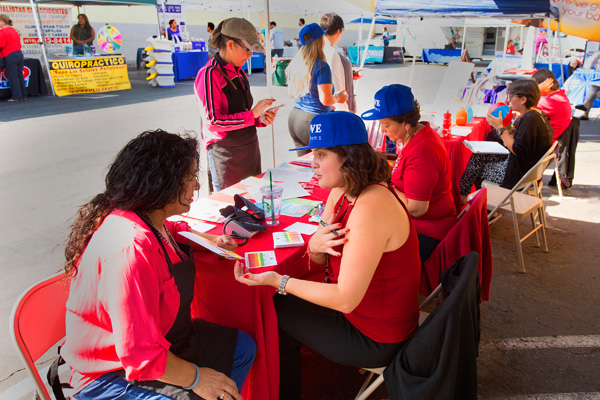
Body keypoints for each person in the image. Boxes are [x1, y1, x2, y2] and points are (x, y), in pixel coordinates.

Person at [234, 111, 421, 400]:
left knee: (275, 310)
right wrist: (315, 248)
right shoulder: (345, 192)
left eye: (321, 154)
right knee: (281, 302)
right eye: (312, 153)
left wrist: (277, 280)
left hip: (377, 336)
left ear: (348, 157)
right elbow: (320, 259)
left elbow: (345, 298)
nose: (313, 163)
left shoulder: (371, 206)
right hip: (366, 314)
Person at [62, 130, 256, 400]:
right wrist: (198, 378)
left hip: (163, 341)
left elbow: (174, 230)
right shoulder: (129, 249)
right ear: (163, 183)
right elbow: (138, 354)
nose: (196, 187)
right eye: (190, 178)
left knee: (242, 348)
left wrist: (210, 240)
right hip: (110, 372)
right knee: (207, 389)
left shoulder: (151, 220)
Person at [362, 84, 456, 262]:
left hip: (427, 230)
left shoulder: (421, 152)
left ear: (405, 123)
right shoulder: (418, 134)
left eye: (386, 125)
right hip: (426, 221)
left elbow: (416, 208)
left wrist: (384, 186)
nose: (382, 130)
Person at [194, 18, 277, 192]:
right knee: (229, 207)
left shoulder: (239, 73)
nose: (250, 55)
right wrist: (251, 115)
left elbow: (244, 113)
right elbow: (213, 121)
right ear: (231, 44)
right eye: (247, 49)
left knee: (253, 199)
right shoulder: (210, 74)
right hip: (226, 156)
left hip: (250, 150)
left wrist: (260, 119)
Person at [460, 78, 553, 196]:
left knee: (478, 166)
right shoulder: (536, 114)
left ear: (523, 99)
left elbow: (516, 149)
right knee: (480, 156)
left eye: (511, 96)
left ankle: (477, 202)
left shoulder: (530, 119)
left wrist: (500, 128)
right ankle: (474, 201)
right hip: (527, 170)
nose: (508, 99)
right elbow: (522, 140)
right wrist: (508, 127)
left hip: (518, 175)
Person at [286, 23, 347, 156]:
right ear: (320, 40)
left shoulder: (297, 63)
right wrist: (338, 98)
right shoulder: (321, 65)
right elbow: (326, 100)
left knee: (304, 166)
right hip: (313, 121)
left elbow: (298, 93)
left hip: (295, 117)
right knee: (323, 166)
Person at [320, 13, 351, 112]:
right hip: (333, 107)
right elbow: (336, 85)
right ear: (339, 31)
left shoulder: (318, 48)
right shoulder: (331, 53)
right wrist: (344, 111)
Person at [532, 68, 572, 141]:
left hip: (543, 143)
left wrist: (536, 90)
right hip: (548, 139)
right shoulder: (560, 96)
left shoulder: (552, 101)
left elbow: (524, 104)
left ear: (546, 84)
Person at [0, 14, 26, 102]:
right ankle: (23, 95)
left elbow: (1, 44)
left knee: (13, 76)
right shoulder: (13, 30)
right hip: (19, 54)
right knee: (19, 75)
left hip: (10, 54)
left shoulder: (3, 31)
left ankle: (16, 97)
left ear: (2, 22)